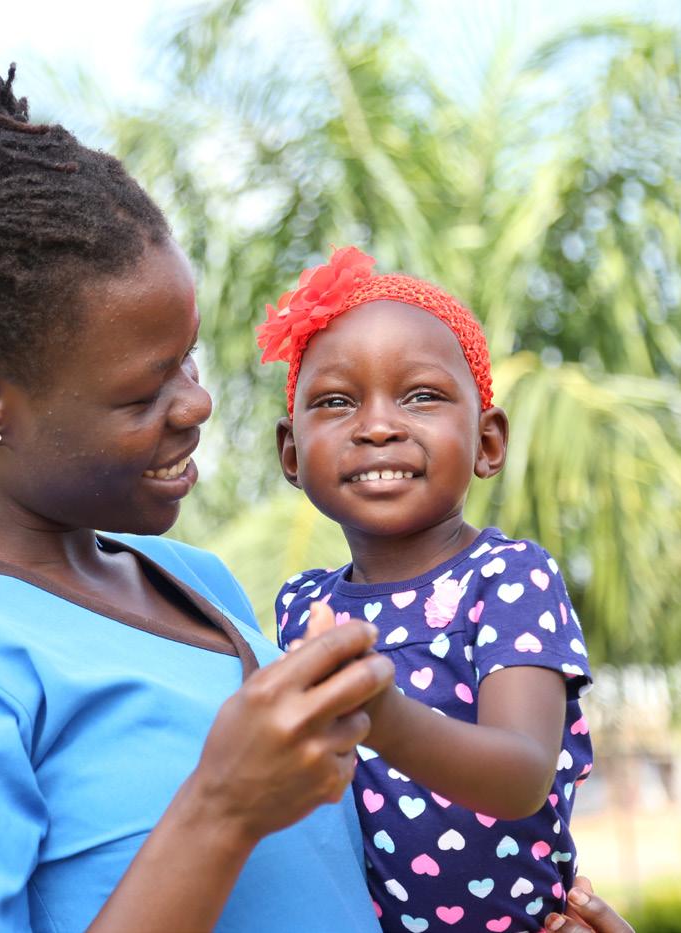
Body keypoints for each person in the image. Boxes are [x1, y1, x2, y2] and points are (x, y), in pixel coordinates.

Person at [0, 64, 631, 933]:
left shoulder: (199, 587)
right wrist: (220, 808)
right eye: (141, 390)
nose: (196, 403)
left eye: (186, 358)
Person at [260, 248, 594, 932]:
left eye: (421, 395)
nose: (378, 426)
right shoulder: (301, 608)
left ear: (487, 441)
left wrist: (379, 716)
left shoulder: (507, 578)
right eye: (336, 401)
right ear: (291, 452)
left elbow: (522, 774)